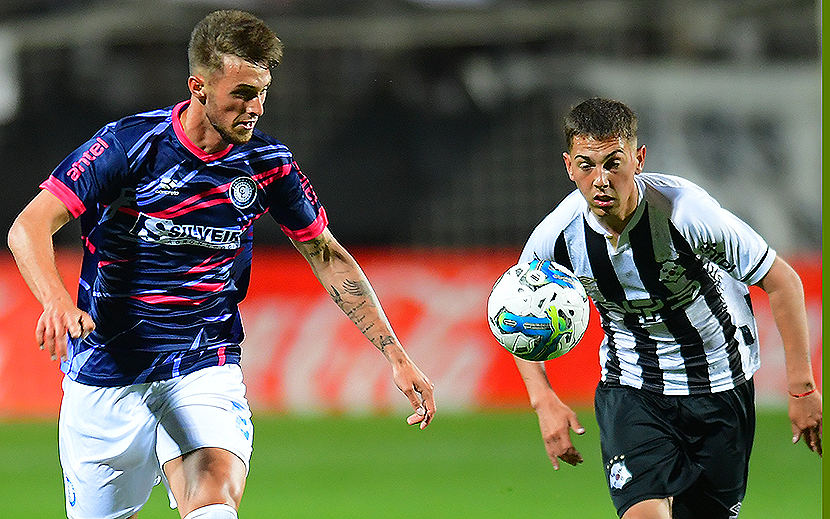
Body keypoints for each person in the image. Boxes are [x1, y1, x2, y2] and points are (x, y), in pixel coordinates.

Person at [6, 10, 435, 519]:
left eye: (262, 93)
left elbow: (327, 257)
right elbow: (28, 227)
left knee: (213, 506)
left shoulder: (267, 164)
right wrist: (56, 302)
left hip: (203, 365)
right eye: (242, 94)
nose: (255, 108)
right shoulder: (127, 146)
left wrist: (394, 352)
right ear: (200, 88)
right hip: (107, 373)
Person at [513, 97, 820, 519]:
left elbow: (782, 280)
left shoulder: (687, 214)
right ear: (569, 167)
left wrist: (801, 388)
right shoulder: (556, 237)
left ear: (638, 160)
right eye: (586, 165)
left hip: (719, 385)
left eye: (613, 163)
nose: (600, 180)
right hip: (632, 387)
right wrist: (543, 400)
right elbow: (517, 314)